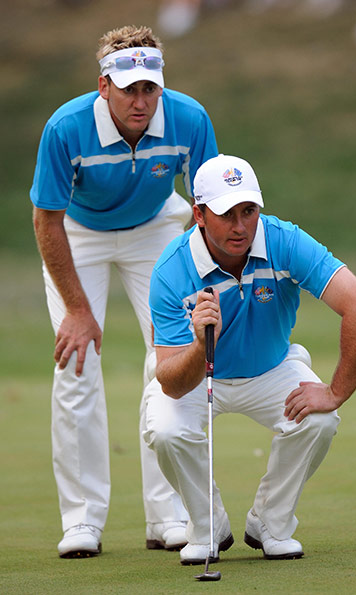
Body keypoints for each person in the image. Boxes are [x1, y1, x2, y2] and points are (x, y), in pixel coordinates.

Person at [30, 24, 218, 558]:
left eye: (149, 88)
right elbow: (47, 221)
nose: (140, 100)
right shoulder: (66, 127)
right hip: (78, 232)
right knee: (77, 360)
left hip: (156, 227)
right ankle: (82, 521)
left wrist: (191, 272)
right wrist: (78, 311)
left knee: (170, 357)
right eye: (128, 88)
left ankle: (167, 515)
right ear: (103, 85)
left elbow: (205, 207)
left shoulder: (188, 117)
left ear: (161, 86)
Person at [143, 154, 356, 565]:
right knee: (166, 430)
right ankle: (207, 526)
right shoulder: (171, 269)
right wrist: (200, 345)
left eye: (248, 211)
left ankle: (270, 522)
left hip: (271, 368)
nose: (240, 226)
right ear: (198, 214)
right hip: (199, 376)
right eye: (226, 214)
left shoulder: (284, 241)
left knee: (320, 418)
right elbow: (171, 382)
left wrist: (335, 391)